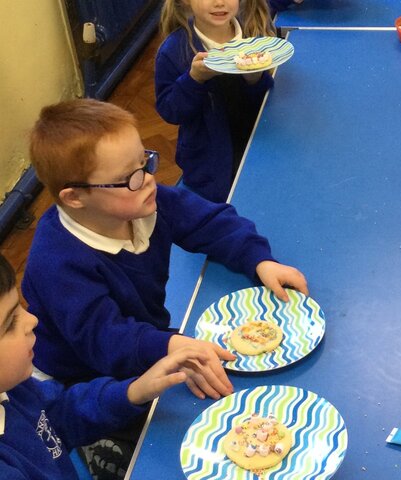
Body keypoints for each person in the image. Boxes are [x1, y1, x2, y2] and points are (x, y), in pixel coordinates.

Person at [22, 99, 307, 401]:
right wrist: (170, 347)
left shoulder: (143, 201)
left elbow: (210, 221)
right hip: (79, 379)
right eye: (129, 178)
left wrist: (259, 259)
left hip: (139, 338)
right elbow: (105, 341)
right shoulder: (56, 264)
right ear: (75, 197)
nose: (148, 180)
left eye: (144, 163)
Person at [0, 253, 211, 479]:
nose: (32, 320)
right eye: (10, 323)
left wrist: (134, 391)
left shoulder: (15, 387)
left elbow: (62, 412)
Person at [155, 0, 276, 202]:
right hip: (209, 167)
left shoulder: (252, 35)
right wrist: (195, 79)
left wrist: (255, 79)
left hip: (259, 149)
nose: (219, 3)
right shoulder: (173, 50)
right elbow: (170, 110)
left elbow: (263, 102)